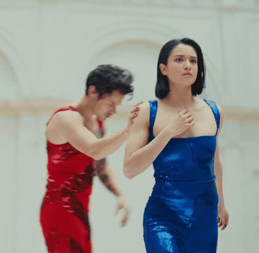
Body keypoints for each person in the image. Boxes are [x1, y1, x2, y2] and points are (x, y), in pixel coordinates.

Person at [124, 38, 229, 252]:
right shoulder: (147, 111)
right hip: (163, 215)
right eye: (179, 60)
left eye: (193, 60)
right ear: (163, 68)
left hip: (205, 214)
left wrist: (221, 203)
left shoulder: (214, 111)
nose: (188, 65)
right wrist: (168, 132)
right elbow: (130, 169)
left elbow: (215, 163)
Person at [40, 64, 139, 253]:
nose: (114, 111)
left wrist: (120, 195)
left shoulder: (97, 123)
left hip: (80, 210)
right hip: (59, 209)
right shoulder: (66, 118)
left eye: (118, 105)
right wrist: (128, 130)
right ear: (93, 91)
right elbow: (95, 150)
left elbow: (100, 165)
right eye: (111, 104)